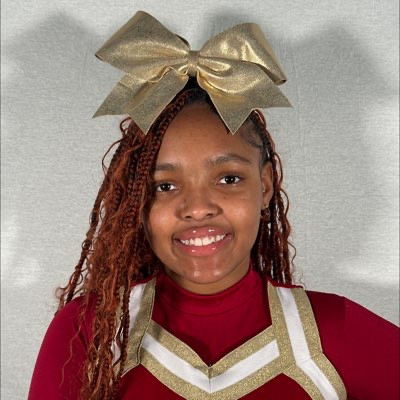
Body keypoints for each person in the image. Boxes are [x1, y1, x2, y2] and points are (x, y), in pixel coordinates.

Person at [28, 10, 399, 400]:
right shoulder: (90, 331)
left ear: (265, 186)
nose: (198, 207)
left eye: (228, 179)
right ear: (137, 202)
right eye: (165, 185)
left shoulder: (331, 330)